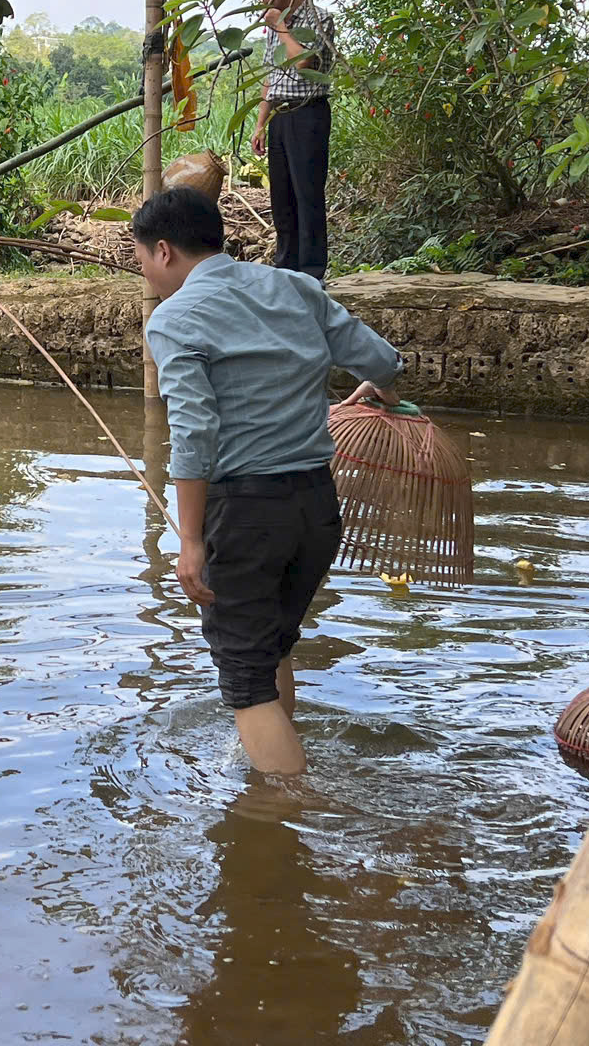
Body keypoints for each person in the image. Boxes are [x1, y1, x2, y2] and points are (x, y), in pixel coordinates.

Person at [134, 186, 404, 776]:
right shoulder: (297, 288)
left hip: (245, 515)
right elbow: (382, 361)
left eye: (144, 265)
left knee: (245, 680)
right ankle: (264, 774)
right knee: (273, 647)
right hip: (314, 508)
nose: (149, 280)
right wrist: (379, 389)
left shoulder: (175, 318)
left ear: (163, 251)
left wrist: (190, 538)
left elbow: (195, 431)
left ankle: (293, 819)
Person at [245, 0, 339, 280]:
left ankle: (311, 272)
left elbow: (303, 63)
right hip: (280, 117)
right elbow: (271, 77)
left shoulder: (317, 18)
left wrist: (281, 27)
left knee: (307, 194)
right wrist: (260, 123)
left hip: (308, 114)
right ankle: (286, 268)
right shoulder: (273, 26)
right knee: (281, 196)